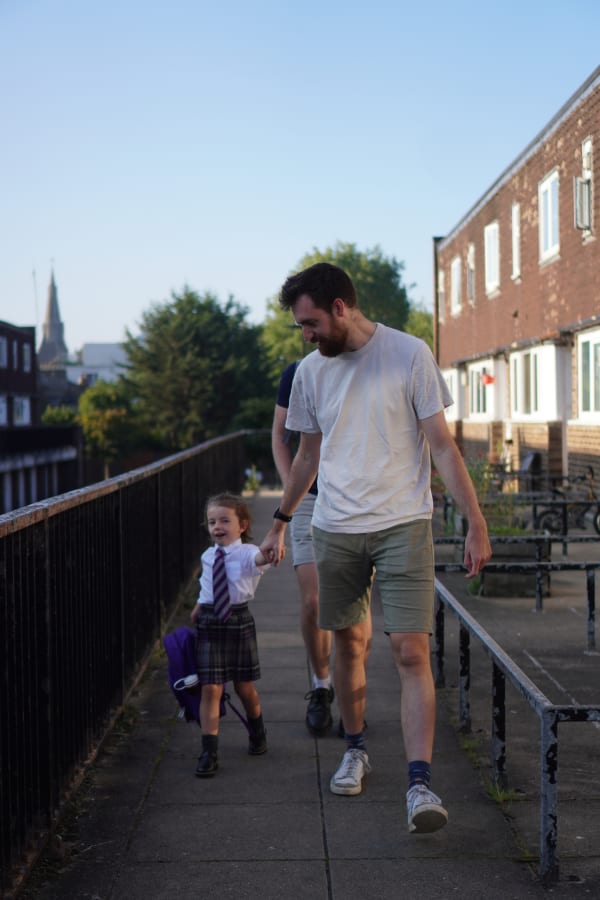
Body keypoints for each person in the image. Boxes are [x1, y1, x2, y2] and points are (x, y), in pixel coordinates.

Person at [260, 262, 491, 833]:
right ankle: (356, 747)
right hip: (336, 526)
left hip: (403, 524)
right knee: (348, 641)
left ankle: (420, 786)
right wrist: (280, 521)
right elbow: (307, 455)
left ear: (341, 307)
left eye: (310, 322)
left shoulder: (408, 354)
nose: (306, 335)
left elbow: (441, 446)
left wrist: (476, 523)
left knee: (411, 652)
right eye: (300, 327)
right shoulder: (311, 373)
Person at [272, 361, 372, 735]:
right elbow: (280, 438)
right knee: (315, 602)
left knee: (358, 613)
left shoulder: (367, 366)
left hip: (358, 501)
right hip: (309, 500)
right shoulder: (298, 373)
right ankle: (321, 686)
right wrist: (291, 492)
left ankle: (354, 697)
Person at [191, 492, 273, 777]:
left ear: (243, 525)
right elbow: (207, 584)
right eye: (212, 521)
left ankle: (257, 730)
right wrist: (199, 605)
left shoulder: (248, 553)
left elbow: (263, 558)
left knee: (244, 688)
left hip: (238, 619)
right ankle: (209, 752)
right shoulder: (207, 555)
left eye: (225, 520)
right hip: (210, 622)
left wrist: (271, 549)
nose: (217, 526)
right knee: (211, 687)